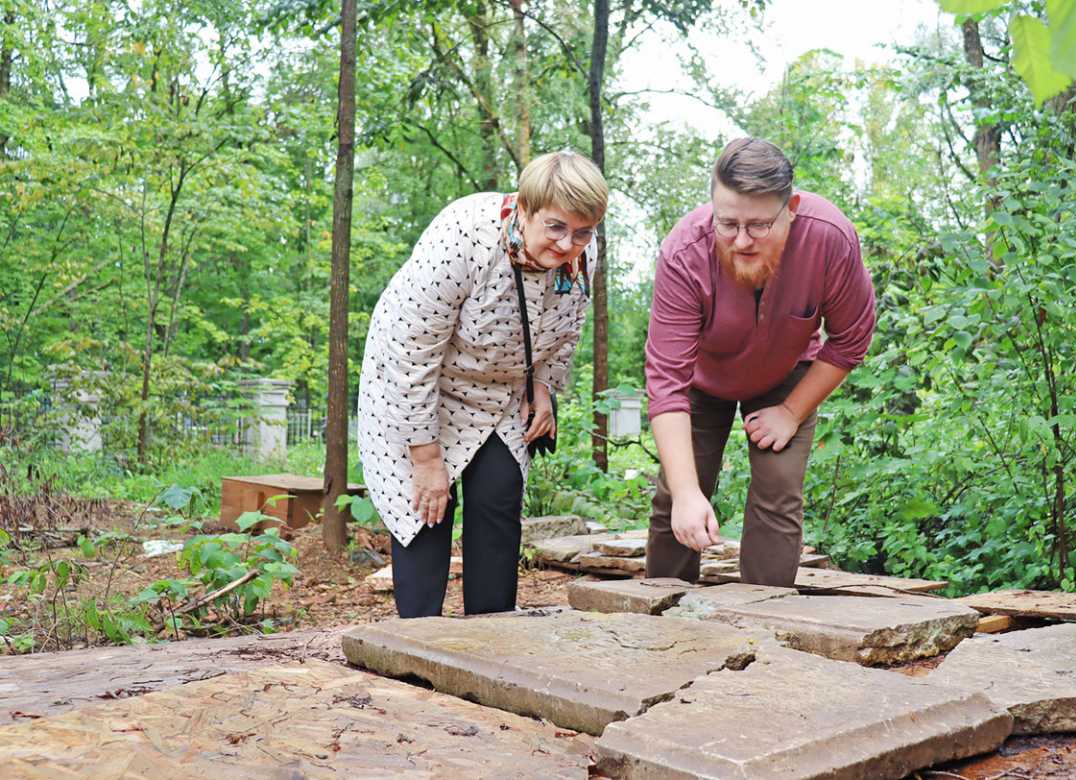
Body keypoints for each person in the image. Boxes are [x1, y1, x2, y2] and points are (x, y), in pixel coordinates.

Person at [358, 151, 608, 618]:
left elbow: (567, 328)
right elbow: (412, 355)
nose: (567, 245)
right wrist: (427, 457)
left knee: (499, 491)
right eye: (555, 227)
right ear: (526, 207)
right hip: (417, 382)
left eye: (582, 232)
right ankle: (418, 645)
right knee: (425, 508)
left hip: (499, 390)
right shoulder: (464, 236)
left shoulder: (581, 254)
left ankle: (490, 640)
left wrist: (544, 389)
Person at [643, 137, 876, 587]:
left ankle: (766, 625)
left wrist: (791, 412)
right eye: (727, 224)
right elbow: (666, 382)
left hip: (786, 376)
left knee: (778, 489)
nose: (741, 241)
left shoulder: (830, 238)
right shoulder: (683, 252)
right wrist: (689, 493)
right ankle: (661, 620)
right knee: (678, 492)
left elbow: (849, 340)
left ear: (792, 208)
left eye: (759, 226)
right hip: (700, 380)